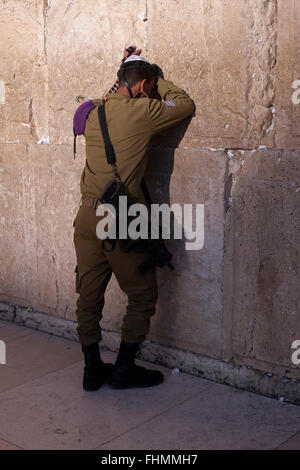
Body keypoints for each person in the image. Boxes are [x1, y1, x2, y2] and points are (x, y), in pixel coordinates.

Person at [73, 45, 195, 391]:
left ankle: (92, 369)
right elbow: (185, 104)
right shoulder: (143, 111)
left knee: (88, 295)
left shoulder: (92, 112)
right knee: (142, 295)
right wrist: (158, 77)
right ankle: (125, 370)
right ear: (144, 85)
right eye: (149, 84)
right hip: (120, 220)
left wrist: (125, 69)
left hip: (85, 217)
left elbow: (104, 101)